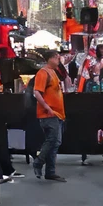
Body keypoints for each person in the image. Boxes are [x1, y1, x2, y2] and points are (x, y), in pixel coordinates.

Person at [33, 50, 67, 182]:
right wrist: (47, 107)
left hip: (56, 114)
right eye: (57, 58)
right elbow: (37, 92)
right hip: (49, 114)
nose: (59, 60)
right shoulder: (43, 72)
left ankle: (50, 171)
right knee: (52, 140)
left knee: (55, 142)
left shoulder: (53, 72)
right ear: (51, 58)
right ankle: (38, 162)